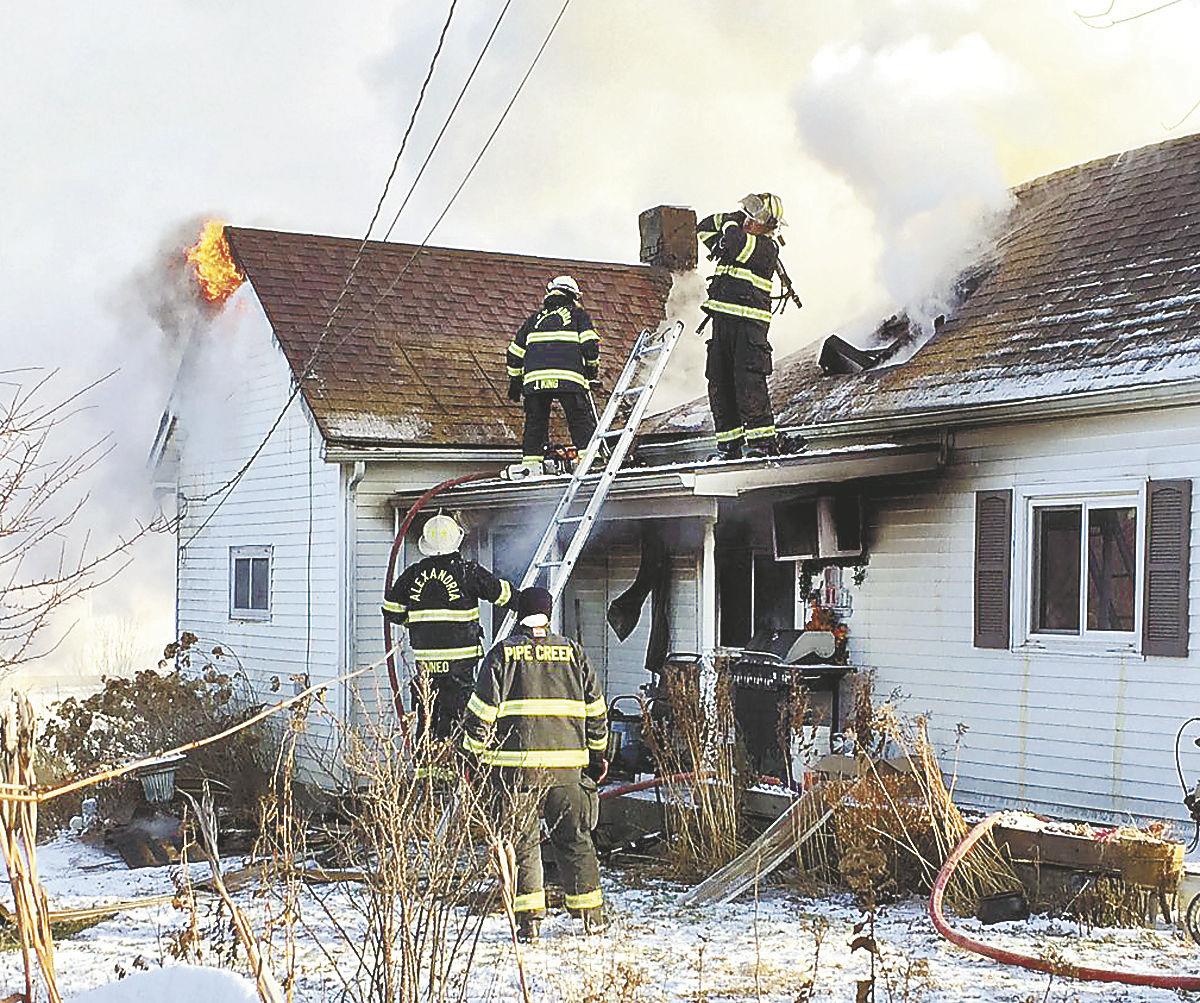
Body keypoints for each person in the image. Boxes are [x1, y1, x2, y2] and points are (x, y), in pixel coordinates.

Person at [463, 587, 609, 943]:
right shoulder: (574, 653)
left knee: (523, 843)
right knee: (576, 839)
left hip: (516, 773)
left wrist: (471, 756)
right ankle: (591, 915)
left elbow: (482, 712)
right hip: (568, 771)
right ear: (548, 614)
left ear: (519, 616)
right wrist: (598, 755)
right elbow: (596, 710)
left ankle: (530, 924)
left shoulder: (503, 654)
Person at [382, 513, 513, 766]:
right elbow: (502, 595)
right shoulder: (467, 571)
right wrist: (531, 604)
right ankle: (462, 774)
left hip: (426, 668)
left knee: (428, 720)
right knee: (462, 721)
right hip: (460, 666)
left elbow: (391, 610)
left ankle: (428, 779)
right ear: (457, 541)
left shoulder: (413, 575)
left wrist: (416, 621)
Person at [697, 193, 804, 460]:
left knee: (748, 383)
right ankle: (729, 445)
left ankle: (763, 443)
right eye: (746, 214)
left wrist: (732, 224)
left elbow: (733, 242)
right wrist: (732, 218)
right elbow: (704, 227)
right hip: (723, 324)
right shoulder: (736, 231)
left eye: (752, 217)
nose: (746, 220)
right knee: (719, 382)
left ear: (767, 224)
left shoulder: (766, 249)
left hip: (749, 327)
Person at [506, 275, 600, 475]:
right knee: (579, 419)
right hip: (569, 379)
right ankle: (590, 460)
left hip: (534, 382)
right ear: (573, 296)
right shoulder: (578, 316)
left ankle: (531, 465)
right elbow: (590, 345)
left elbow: (514, 354)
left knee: (535, 422)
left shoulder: (533, 320)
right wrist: (591, 370)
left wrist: (515, 381)